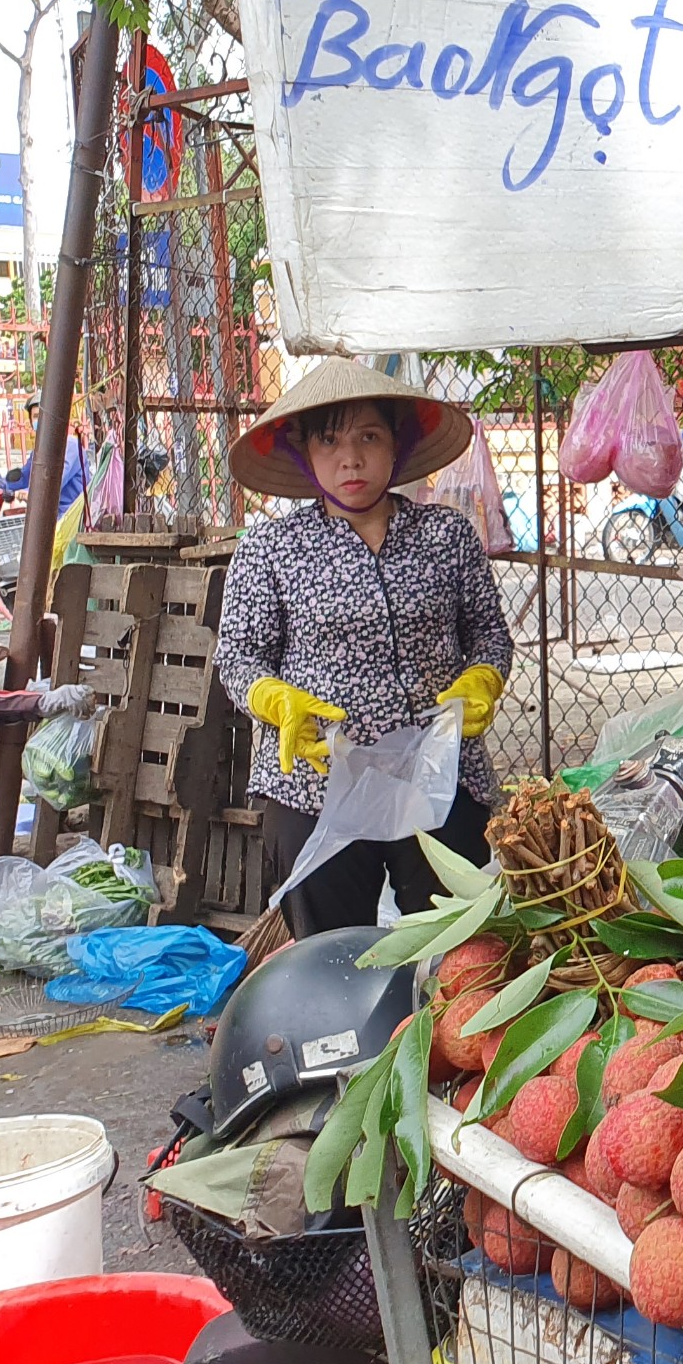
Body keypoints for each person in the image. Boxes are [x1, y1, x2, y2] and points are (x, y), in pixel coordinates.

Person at [215, 360, 513, 936]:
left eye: (368, 438)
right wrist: (276, 700)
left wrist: (484, 678)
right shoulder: (272, 549)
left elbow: (489, 634)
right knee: (332, 959)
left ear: (397, 445)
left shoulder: (446, 536)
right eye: (329, 440)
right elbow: (238, 655)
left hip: (438, 778)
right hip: (316, 784)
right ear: (304, 452)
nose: (350, 458)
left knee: (457, 954)